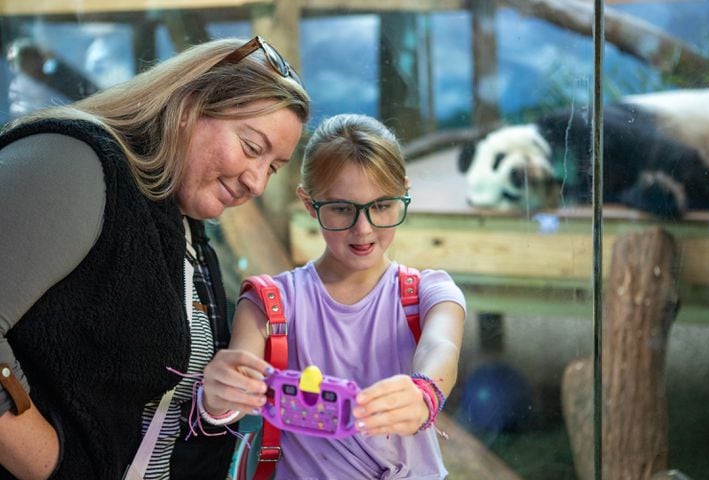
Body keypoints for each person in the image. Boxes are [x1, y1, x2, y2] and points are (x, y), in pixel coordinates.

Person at [0, 36, 310, 480]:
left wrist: (214, 400)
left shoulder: (180, 230)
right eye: (251, 147)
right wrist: (56, 466)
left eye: (274, 168)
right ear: (187, 108)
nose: (257, 183)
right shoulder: (73, 162)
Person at [202, 113, 466, 479]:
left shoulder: (430, 293)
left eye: (381, 206)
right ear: (309, 204)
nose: (364, 229)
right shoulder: (268, 303)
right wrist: (217, 399)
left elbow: (441, 348)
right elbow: (232, 399)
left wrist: (425, 392)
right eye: (342, 208)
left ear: (404, 192)